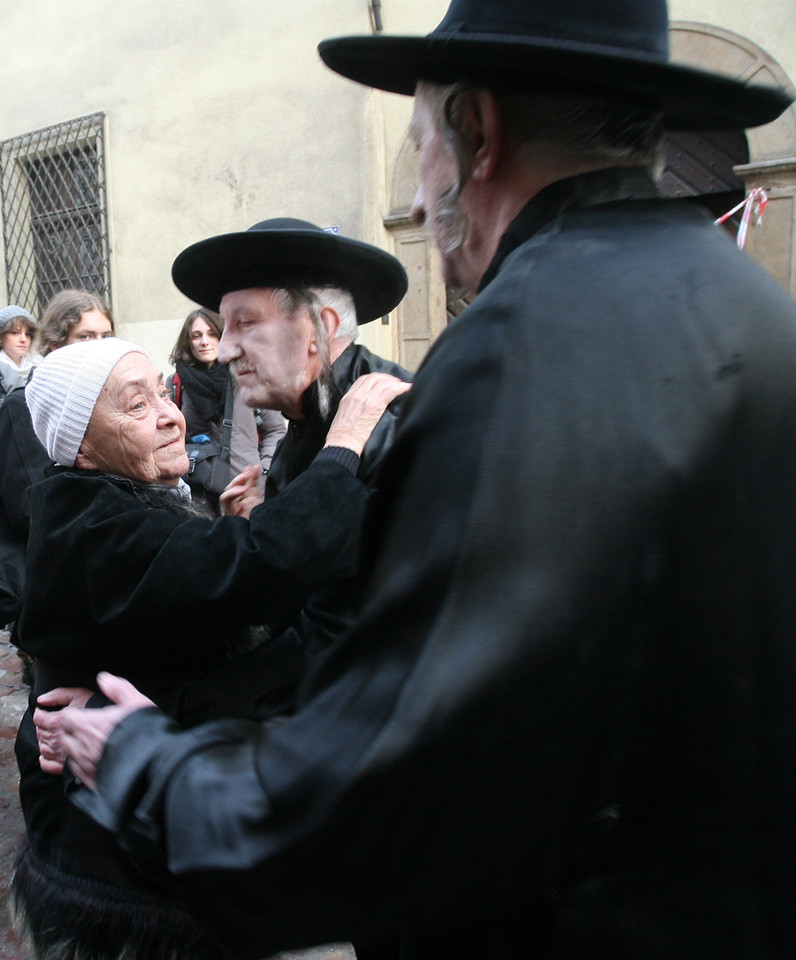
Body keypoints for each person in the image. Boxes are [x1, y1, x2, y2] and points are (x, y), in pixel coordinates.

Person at [37, 1, 796, 957]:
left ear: (476, 132)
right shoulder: (757, 309)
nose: (222, 354)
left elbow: (398, 780)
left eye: (421, 140)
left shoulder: (516, 345)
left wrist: (147, 761)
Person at [13, 336, 408, 960]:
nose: (171, 415)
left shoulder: (108, 502)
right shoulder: (91, 526)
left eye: (162, 394)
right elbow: (262, 567)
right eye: (134, 406)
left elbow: (197, 596)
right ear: (81, 449)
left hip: (128, 818)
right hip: (114, 862)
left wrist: (233, 528)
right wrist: (343, 447)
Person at [171, 217, 412, 656]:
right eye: (224, 328)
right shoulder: (301, 424)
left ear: (318, 328)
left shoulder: (392, 426)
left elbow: (347, 642)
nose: (224, 350)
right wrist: (260, 529)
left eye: (245, 323)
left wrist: (172, 717)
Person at [0, 290, 115, 630]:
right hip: (55, 584)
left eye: (106, 336)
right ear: (56, 345)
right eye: (85, 336)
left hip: (103, 573)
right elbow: (29, 509)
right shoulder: (24, 407)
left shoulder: (106, 400)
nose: (99, 345)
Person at [167, 307, 285, 506]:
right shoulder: (176, 383)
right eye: (196, 336)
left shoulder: (247, 376)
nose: (204, 341)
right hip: (198, 494)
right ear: (188, 342)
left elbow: (275, 430)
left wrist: (264, 470)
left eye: (212, 334)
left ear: (223, 337)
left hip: (247, 490)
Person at [0, 306, 38, 374]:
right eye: (15, 333)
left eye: (27, 334)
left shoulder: (39, 363)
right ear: (1, 336)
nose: (23, 339)